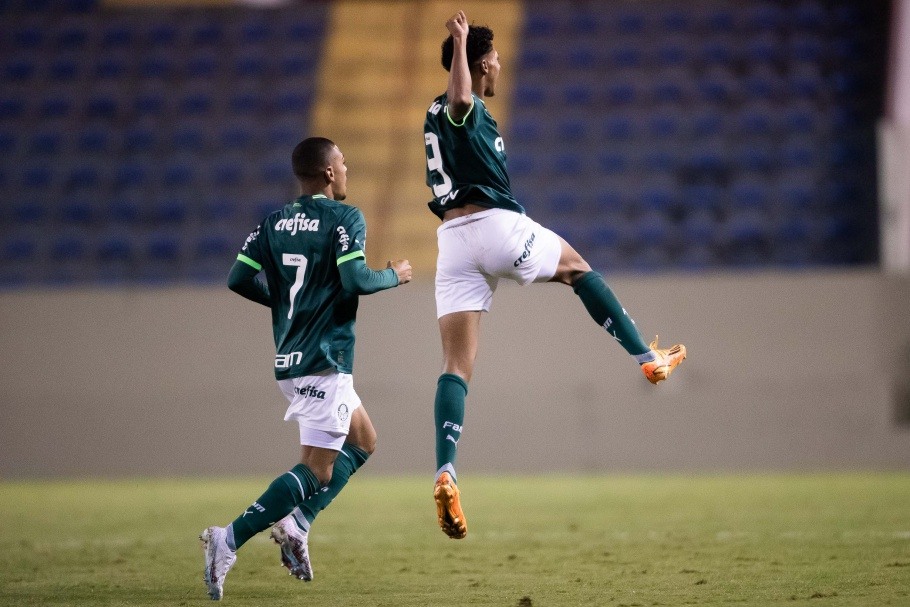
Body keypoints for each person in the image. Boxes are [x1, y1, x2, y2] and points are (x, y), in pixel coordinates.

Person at [423, 11, 687, 540]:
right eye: (492, 58)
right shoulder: (459, 104)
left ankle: (446, 469)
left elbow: (452, 106)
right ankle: (648, 359)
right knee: (578, 269)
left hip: (452, 242)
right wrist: (458, 43)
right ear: (477, 65)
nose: (499, 64)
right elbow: (459, 101)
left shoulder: (431, 113)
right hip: (495, 225)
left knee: (455, 365)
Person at [200, 137, 412, 600]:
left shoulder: (273, 222)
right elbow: (356, 279)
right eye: (343, 163)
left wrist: (286, 306)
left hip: (291, 357)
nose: (347, 170)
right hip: (324, 360)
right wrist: (395, 274)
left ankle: (298, 523)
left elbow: (238, 278)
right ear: (330, 172)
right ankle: (228, 538)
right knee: (315, 471)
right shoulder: (344, 217)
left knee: (364, 441)